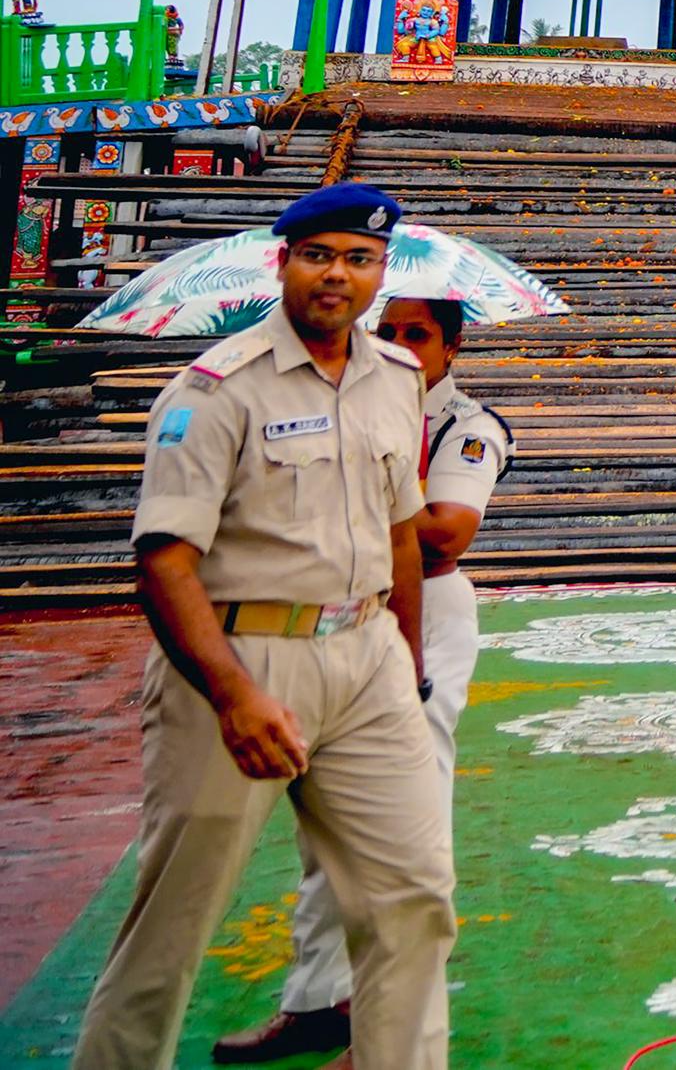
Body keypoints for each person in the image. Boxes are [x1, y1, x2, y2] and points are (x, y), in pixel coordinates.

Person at [79, 183, 455, 1070]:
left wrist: (403, 658)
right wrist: (234, 695)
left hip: (366, 660)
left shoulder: (396, 379)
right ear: (282, 263)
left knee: (414, 899)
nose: (339, 276)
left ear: (380, 273)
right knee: (175, 919)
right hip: (242, 660)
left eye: (359, 260)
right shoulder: (216, 389)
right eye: (320, 255)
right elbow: (164, 559)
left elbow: (402, 534)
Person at [213, 295, 501, 1070]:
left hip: (424, 619)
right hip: (338, 616)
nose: (400, 344)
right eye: (388, 330)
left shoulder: (464, 426)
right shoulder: (346, 407)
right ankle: (316, 1003)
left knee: (408, 835)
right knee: (320, 822)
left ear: (452, 348)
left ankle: (388, 1037)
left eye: (419, 334)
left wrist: (329, 520)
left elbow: (443, 536)